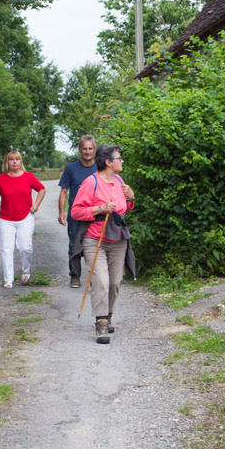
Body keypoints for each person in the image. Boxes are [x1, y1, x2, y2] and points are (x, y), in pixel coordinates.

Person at [70, 144, 136, 344]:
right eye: (119, 158)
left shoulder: (119, 180)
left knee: (115, 282)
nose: (122, 161)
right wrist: (100, 208)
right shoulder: (91, 183)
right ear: (108, 162)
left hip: (118, 238)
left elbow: (125, 208)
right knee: (101, 280)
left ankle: (108, 315)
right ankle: (100, 322)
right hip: (94, 239)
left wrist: (131, 198)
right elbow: (76, 211)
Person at [0, 149, 46, 288]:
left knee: (25, 247)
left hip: (25, 217)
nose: (14, 162)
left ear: (20, 161)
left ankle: (26, 271)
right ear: (7, 162)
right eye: (11, 159)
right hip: (6, 219)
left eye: (17, 159)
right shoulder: (1, 179)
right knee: (7, 248)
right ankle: (8, 279)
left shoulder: (28, 176)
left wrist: (35, 206)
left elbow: (42, 189)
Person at [58, 135, 98, 288]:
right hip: (75, 215)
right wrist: (61, 212)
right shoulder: (71, 168)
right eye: (84, 148)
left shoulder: (99, 168)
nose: (87, 151)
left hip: (95, 214)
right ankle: (74, 276)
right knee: (74, 246)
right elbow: (63, 191)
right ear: (80, 150)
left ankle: (95, 278)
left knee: (94, 246)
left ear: (94, 150)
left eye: (90, 148)